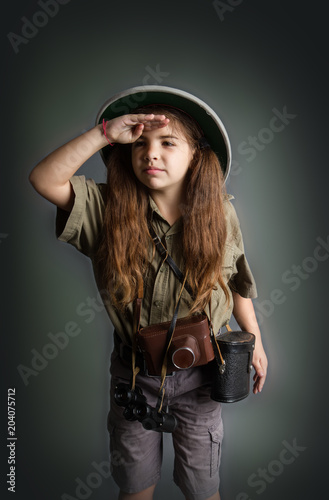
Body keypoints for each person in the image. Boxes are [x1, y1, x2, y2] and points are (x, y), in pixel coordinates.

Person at [29, 85, 268, 500]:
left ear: (197, 154)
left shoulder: (221, 212)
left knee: (203, 489)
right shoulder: (106, 210)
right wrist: (104, 133)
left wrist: (256, 341)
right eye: (140, 143)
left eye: (167, 142)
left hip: (202, 376)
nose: (150, 153)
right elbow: (43, 179)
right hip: (135, 376)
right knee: (135, 488)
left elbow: (236, 281)